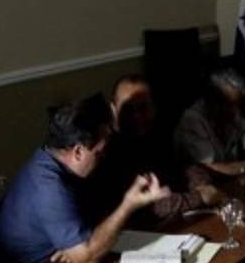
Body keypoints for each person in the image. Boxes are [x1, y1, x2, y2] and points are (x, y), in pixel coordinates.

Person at [0, 96, 172, 263]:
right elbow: (87, 259)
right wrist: (128, 205)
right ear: (78, 152)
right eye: (100, 151)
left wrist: (72, 244)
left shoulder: (52, 156)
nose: (103, 156)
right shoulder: (49, 188)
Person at [94, 75, 224, 225]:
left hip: (176, 220)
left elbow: (184, 166)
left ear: (153, 107)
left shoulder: (156, 133)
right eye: (128, 108)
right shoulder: (105, 149)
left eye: (143, 107)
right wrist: (200, 197)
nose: (136, 116)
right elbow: (149, 206)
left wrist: (203, 185)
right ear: (113, 109)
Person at [174, 68, 245, 177]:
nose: (236, 111)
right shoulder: (192, 120)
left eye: (237, 103)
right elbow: (209, 168)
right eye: (229, 104)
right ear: (211, 100)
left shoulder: (232, 111)